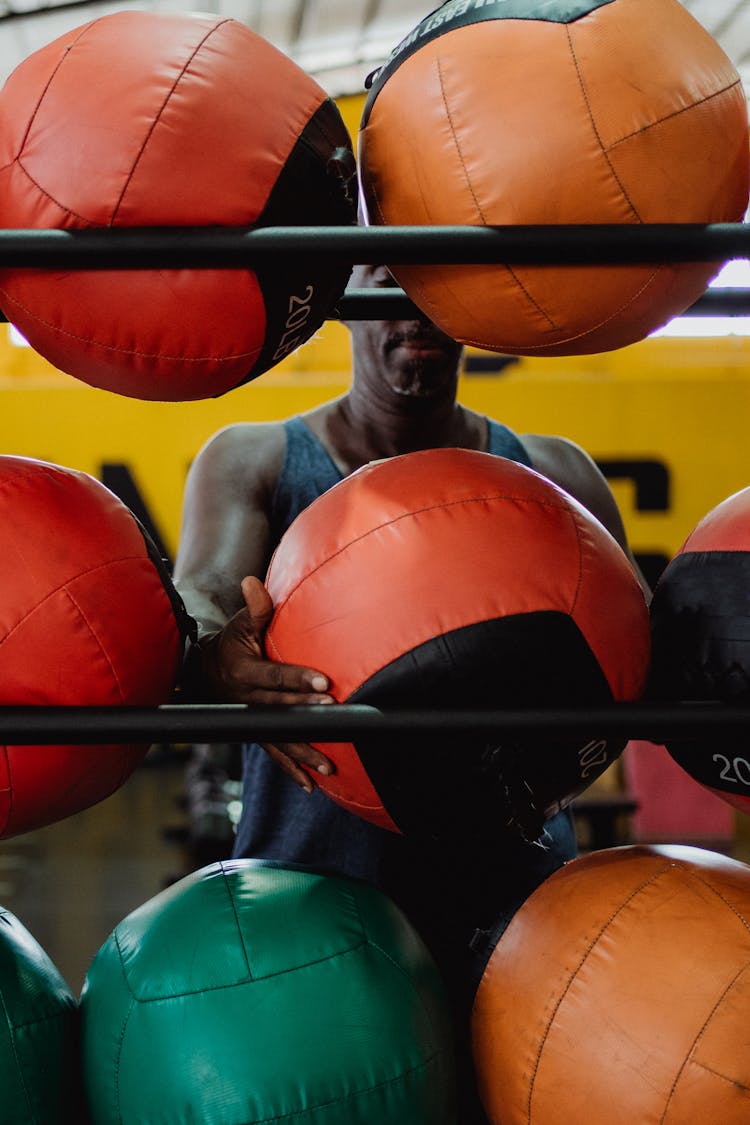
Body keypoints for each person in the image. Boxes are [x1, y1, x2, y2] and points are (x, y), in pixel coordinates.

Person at [173, 263, 649, 1121]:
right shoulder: (257, 457)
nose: (413, 309)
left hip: (514, 895)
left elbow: (644, 646)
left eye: (437, 287)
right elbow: (203, 593)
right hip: (315, 889)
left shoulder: (551, 472)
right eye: (386, 280)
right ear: (343, 303)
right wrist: (215, 652)